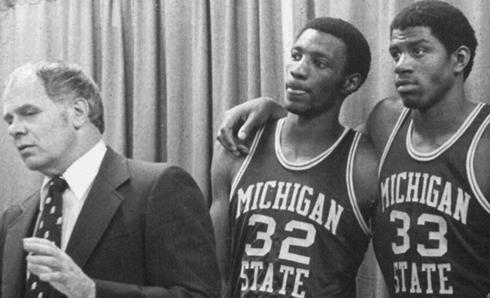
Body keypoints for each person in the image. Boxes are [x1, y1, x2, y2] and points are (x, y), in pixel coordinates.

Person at [216, 1, 490, 297]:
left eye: (418, 51)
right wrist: (272, 108)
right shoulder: (386, 122)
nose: (402, 65)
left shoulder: (482, 140)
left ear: (459, 59)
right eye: (396, 54)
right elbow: (321, 141)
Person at [0, 61, 220, 298]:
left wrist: (91, 292)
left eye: (29, 113)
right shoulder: (14, 219)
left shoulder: (160, 187)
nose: (14, 130)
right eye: (9, 120)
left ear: (78, 112)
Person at [210, 17, 378, 298]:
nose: (298, 70)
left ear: (349, 83)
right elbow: (218, 274)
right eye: (296, 56)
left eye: (319, 63)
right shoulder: (240, 147)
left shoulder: (363, 164)